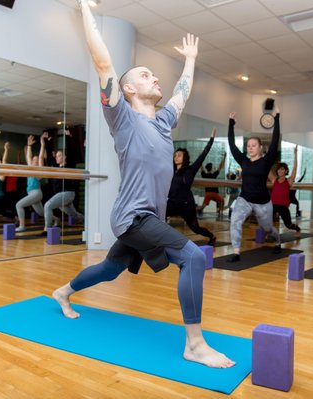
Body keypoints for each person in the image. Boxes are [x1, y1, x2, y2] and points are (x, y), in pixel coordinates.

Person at [53, 0, 233, 369]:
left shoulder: (164, 122)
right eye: (146, 75)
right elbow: (103, 62)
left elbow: (182, 92)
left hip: (145, 217)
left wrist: (191, 60)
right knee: (193, 258)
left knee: (110, 268)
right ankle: (195, 344)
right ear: (129, 89)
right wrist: (85, 11)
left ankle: (63, 292)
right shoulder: (121, 118)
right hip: (133, 216)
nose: (155, 78)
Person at [227, 111, 281, 262]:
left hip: (263, 202)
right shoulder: (244, 161)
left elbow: (275, 140)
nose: (250, 148)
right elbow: (231, 145)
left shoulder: (266, 161)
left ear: (260, 148)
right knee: (235, 220)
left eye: (253, 145)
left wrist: (276, 119)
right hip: (245, 199)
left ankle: (277, 241)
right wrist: (231, 123)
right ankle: (236, 252)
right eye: (248, 146)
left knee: (268, 228)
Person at [167, 128, 218, 246]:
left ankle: (212, 236)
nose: (176, 157)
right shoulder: (171, 170)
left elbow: (203, 154)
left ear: (184, 158)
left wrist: (211, 139)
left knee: (195, 228)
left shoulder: (190, 170)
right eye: (175, 155)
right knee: (157, 215)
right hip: (173, 203)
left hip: (186, 205)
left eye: (179, 155)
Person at [40, 131, 84, 234]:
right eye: (57, 156)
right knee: (74, 215)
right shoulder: (55, 167)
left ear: (64, 157)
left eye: (59, 155)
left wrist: (68, 137)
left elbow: (72, 152)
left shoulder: (69, 165)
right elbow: (50, 157)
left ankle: (47, 229)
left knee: (47, 206)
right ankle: (87, 222)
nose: (57, 157)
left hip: (67, 193)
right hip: (62, 196)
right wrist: (47, 141)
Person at [15, 135, 45, 232]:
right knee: (41, 213)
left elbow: (40, 157)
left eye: (36, 161)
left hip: (36, 193)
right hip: (32, 194)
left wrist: (42, 145)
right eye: (33, 160)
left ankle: (22, 226)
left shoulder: (39, 171)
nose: (35, 161)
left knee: (19, 205)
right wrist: (29, 146)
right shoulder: (30, 167)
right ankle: (56, 219)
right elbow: (28, 156)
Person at [268, 145, 301, 233]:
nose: (280, 171)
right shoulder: (274, 180)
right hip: (273, 205)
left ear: (286, 171)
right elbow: (267, 169)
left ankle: (297, 228)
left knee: (288, 225)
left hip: (283, 207)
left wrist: (296, 154)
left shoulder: (289, 181)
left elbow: (295, 169)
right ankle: (268, 234)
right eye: (279, 169)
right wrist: (266, 156)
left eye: (282, 169)